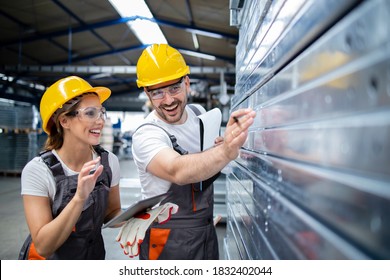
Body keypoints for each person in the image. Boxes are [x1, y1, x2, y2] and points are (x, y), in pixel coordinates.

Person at [127, 44, 256, 260]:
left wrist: (221, 148)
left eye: (174, 88)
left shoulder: (199, 114)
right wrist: (225, 150)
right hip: (167, 241)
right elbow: (177, 170)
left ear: (187, 83)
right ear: (146, 93)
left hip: (205, 231)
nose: (168, 100)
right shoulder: (147, 134)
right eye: (157, 92)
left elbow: (206, 165)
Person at [19, 76, 122, 259]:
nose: (100, 121)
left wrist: (136, 216)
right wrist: (79, 198)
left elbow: (111, 212)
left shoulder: (109, 162)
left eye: (101, 112)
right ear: (64, 121)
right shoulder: (38, 171)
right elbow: (43, 246)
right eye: (90, 113)